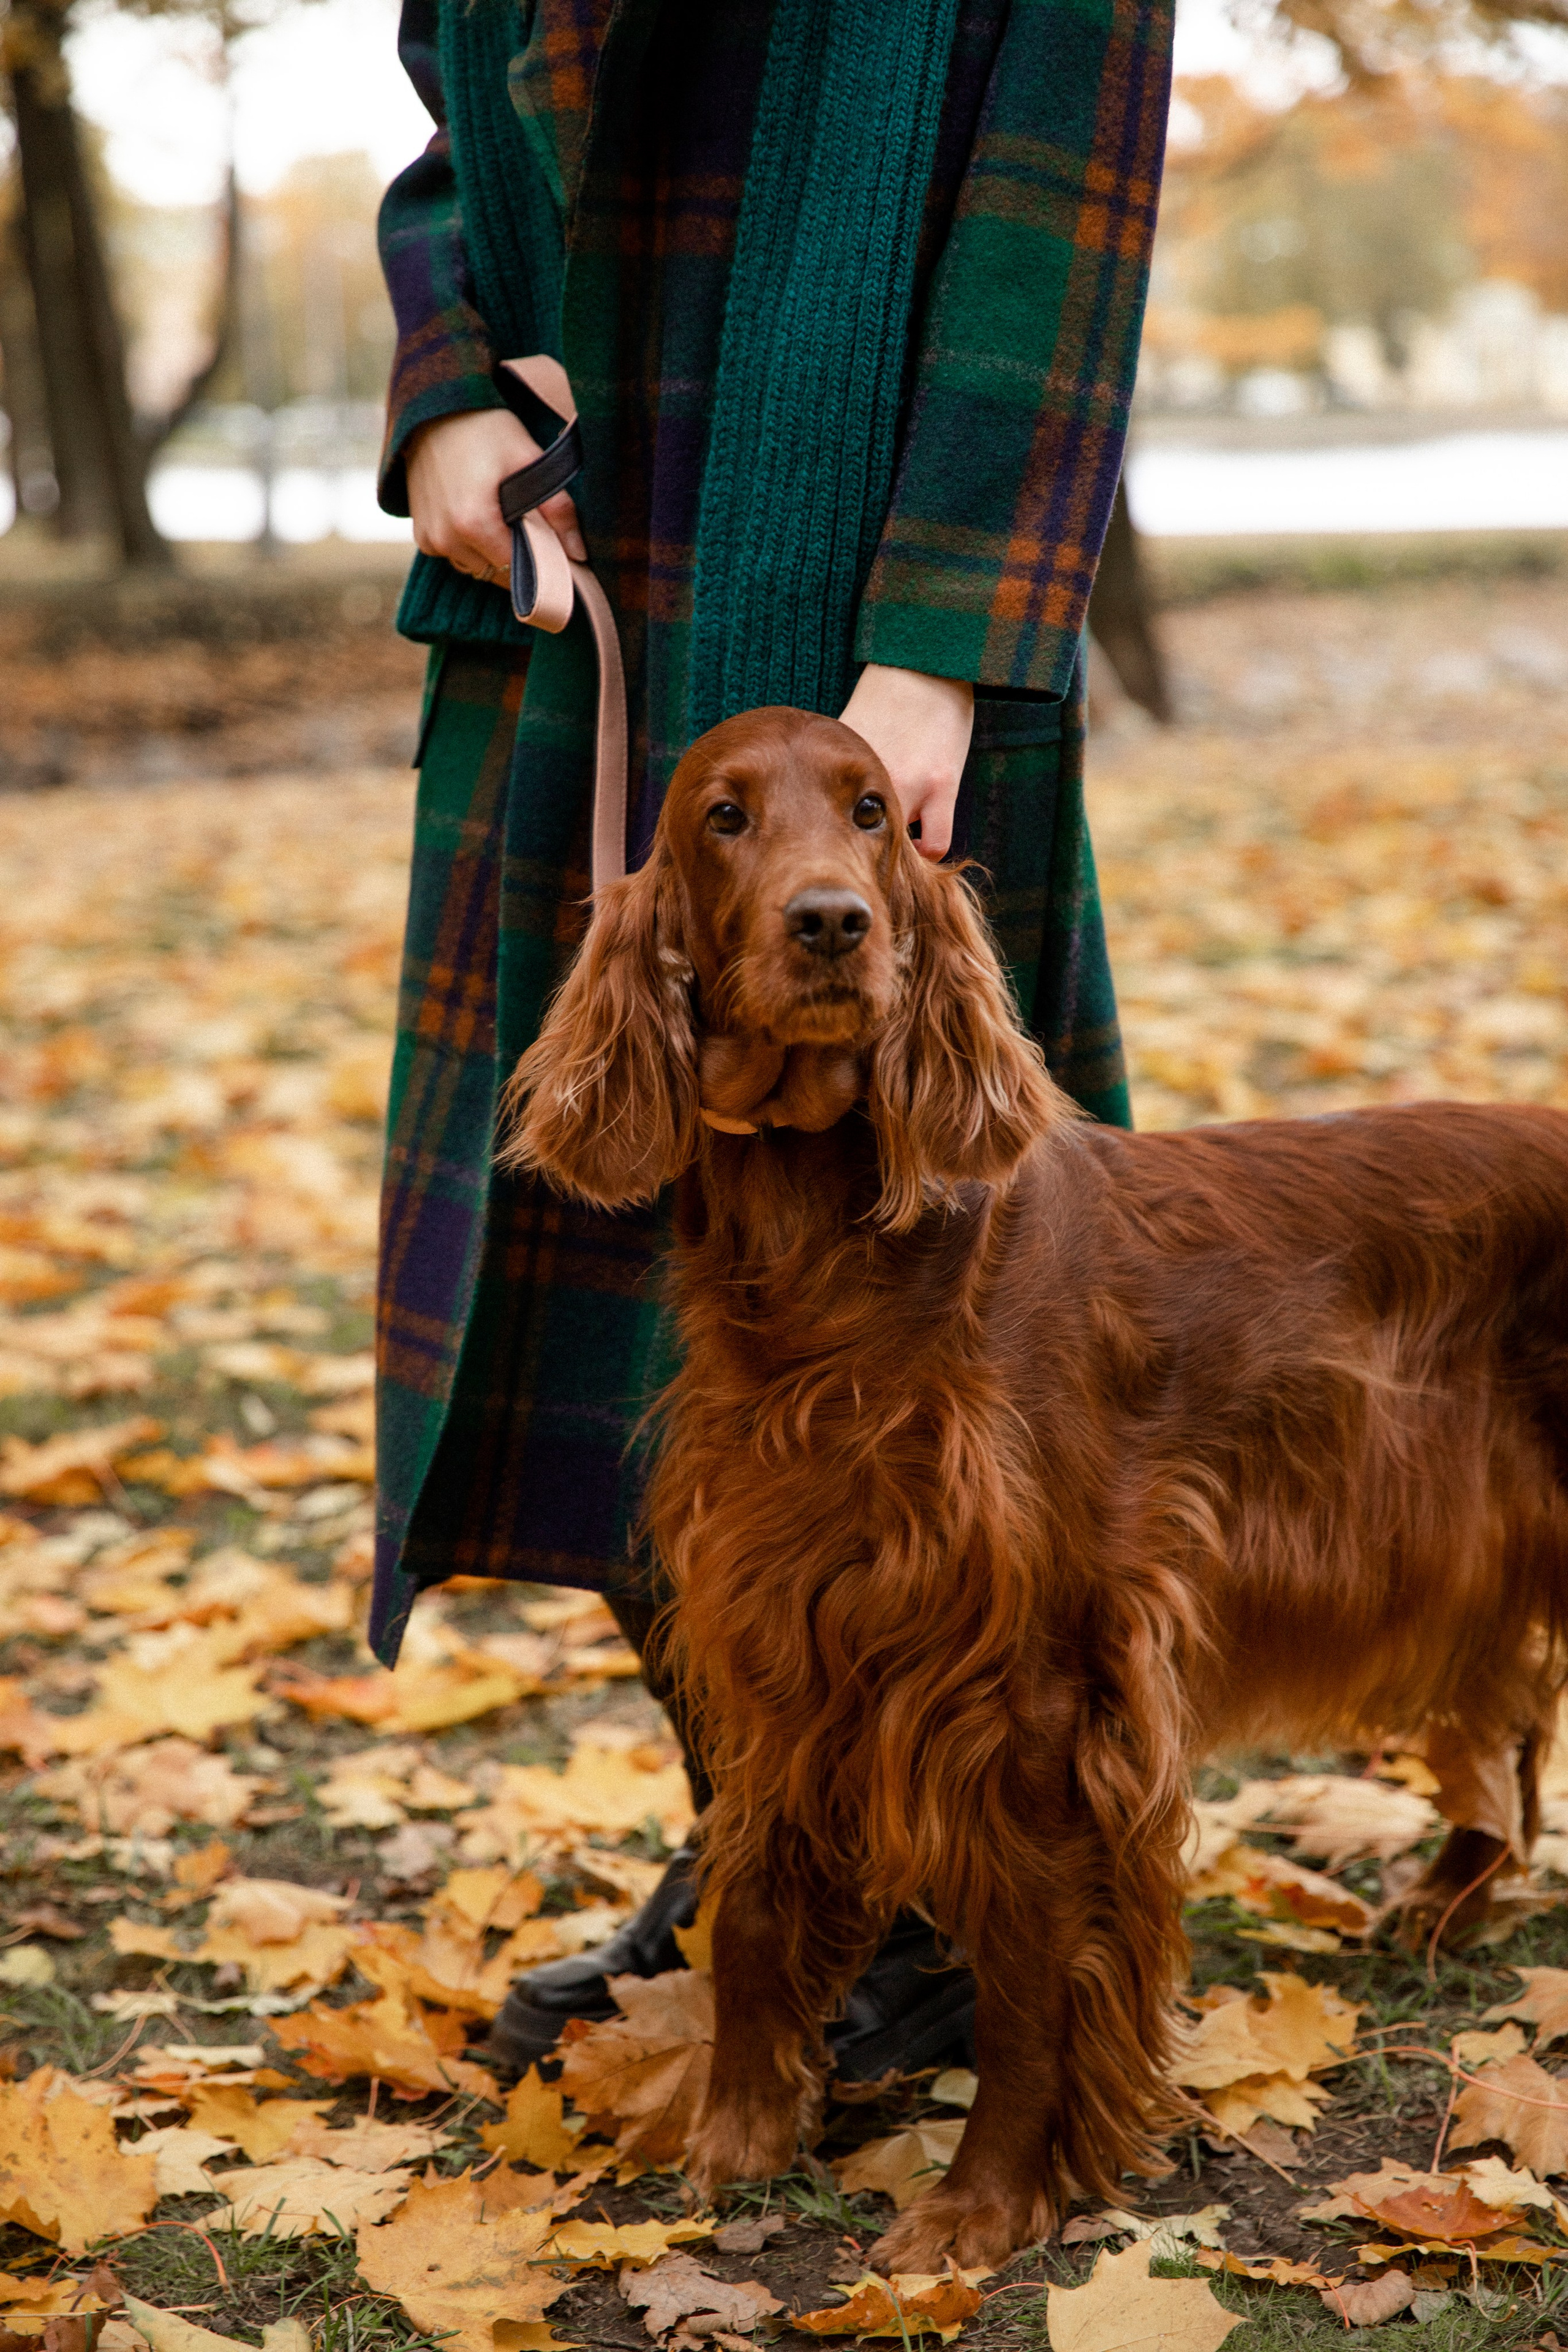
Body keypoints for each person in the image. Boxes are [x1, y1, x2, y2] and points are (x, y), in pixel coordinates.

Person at [372, 0, 1173, 2081]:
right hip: (577, 563)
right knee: (599, 1271)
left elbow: (1059, 199)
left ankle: (942, 1873)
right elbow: (455, 124)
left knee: (940, 1314)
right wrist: (445, 391)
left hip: (865, 591)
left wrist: (952, 632)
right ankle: (780, 1830)